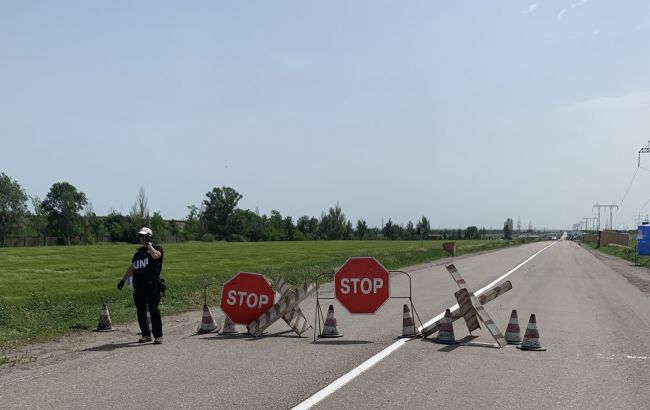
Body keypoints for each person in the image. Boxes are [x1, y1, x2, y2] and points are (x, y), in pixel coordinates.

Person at [117, 227, 165, 344]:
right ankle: (145, 334)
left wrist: (149, 245)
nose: (140, 238)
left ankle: (158, 336)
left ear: (148, 237)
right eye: (140, 236)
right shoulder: (138, 252)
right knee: (140, 310)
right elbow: (132, 267)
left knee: (153, 309)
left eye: (143, 236)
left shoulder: (157, 248)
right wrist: (123, 280)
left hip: (152, 283)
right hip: (139, 284)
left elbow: (156, 256)